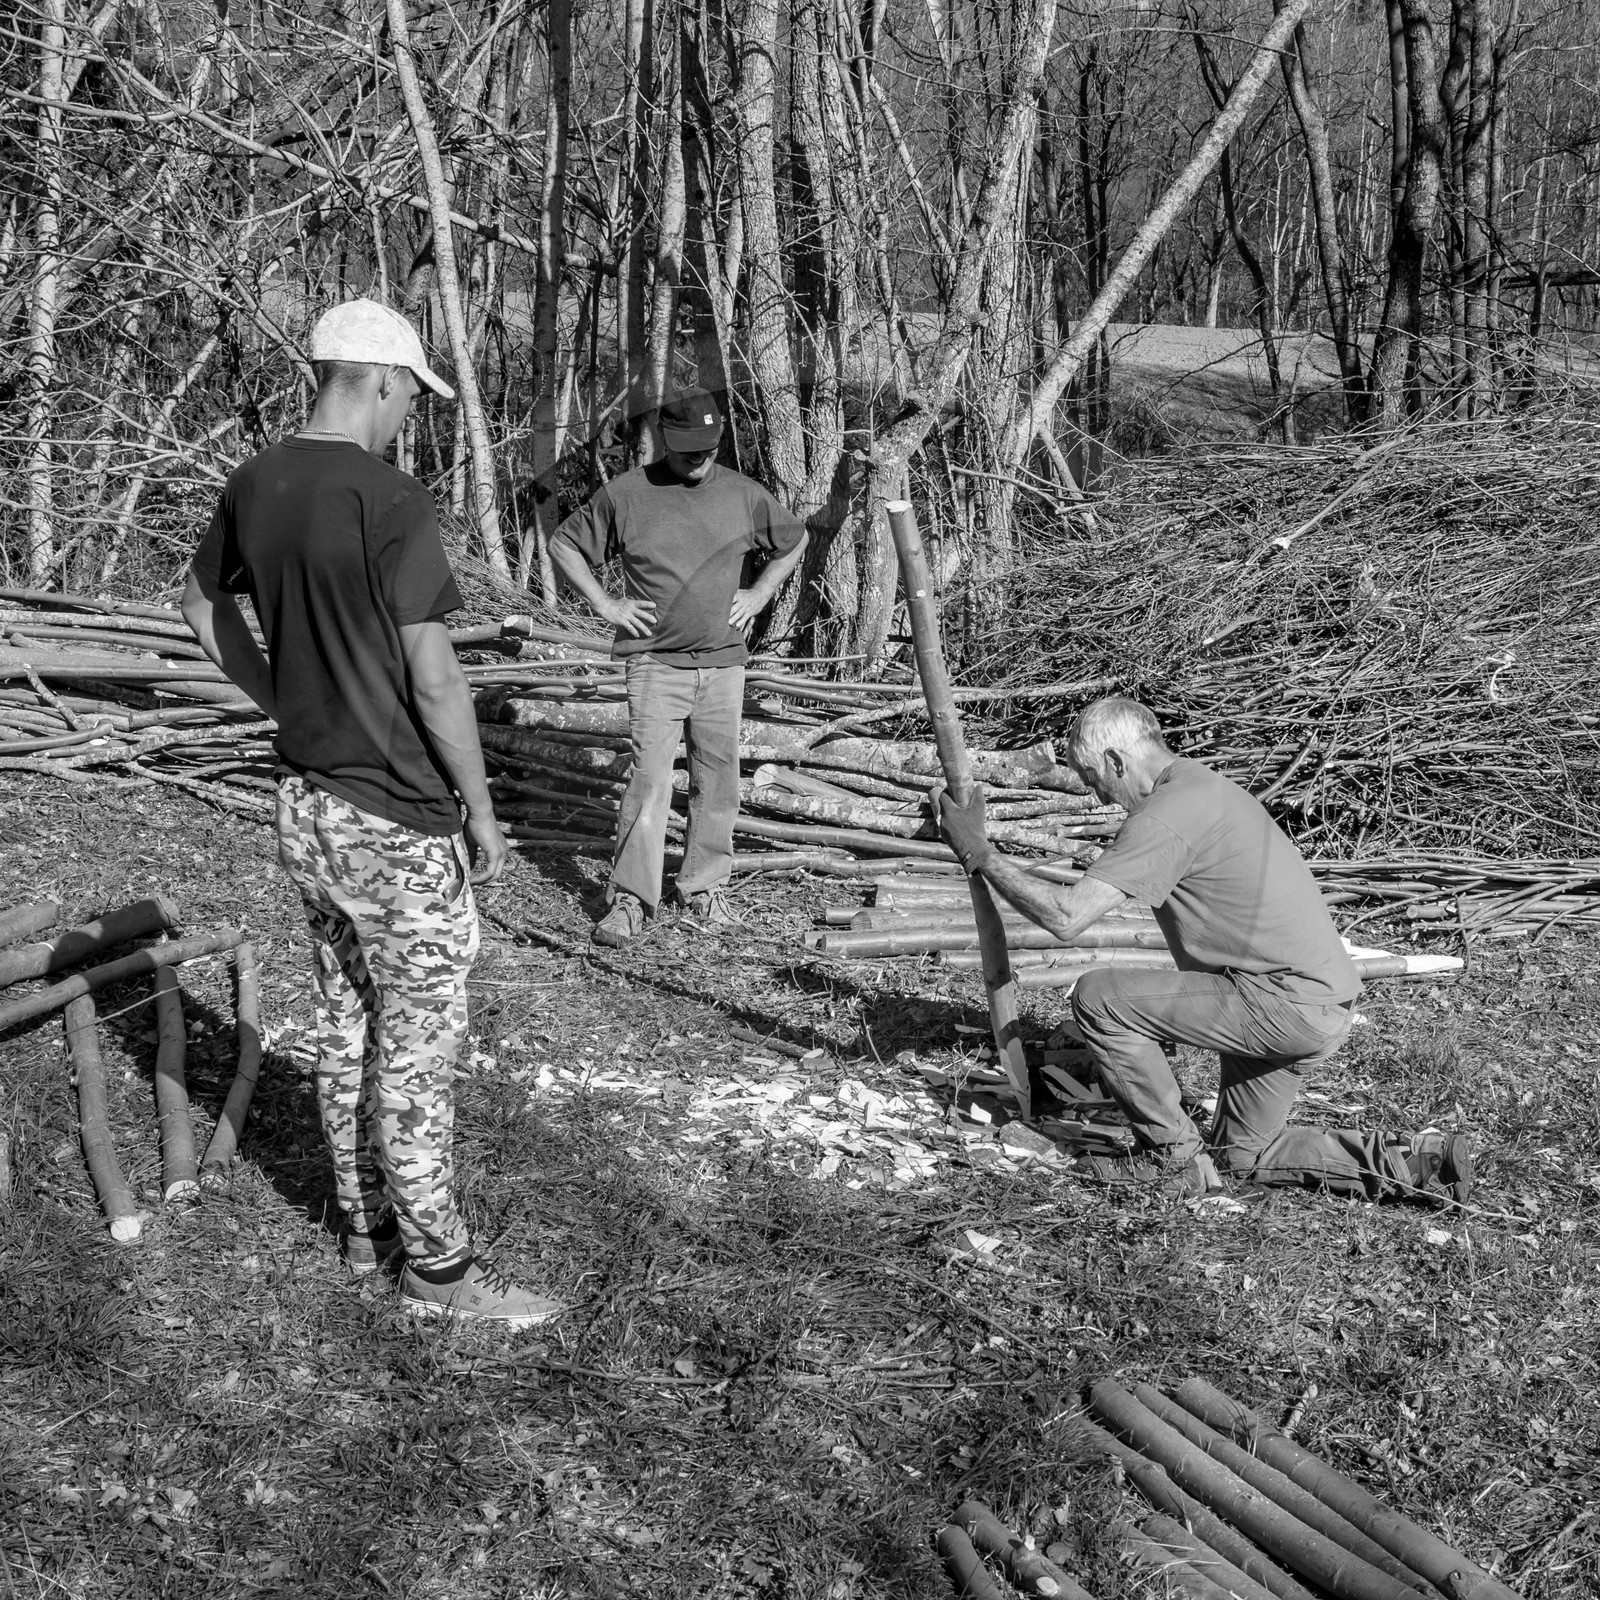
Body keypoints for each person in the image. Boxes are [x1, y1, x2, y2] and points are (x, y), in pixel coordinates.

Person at [181, 298, 561, 1327]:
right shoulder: (387, 497)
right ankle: (439, 1274)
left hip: (303, 802)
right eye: (409, 400)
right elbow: (433, 676)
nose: (407, 420)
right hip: (393, 811)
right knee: (416, 1046)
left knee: (346, 1023)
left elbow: (199, 604)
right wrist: (479, 807)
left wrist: (281, 699)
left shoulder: (255, 480)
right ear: (383, 380)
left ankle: (364, 1231)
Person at [934, 696, 1472, 1206]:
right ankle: (1416, 1166)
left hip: (1279, 1003)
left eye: (1095, 779)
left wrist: (979, 852)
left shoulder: (1168, 813)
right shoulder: (1204, 785)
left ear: (1117, 761)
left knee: (1100, 997)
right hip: (1323, 1004)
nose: (1098, 796)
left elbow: (1066, 918)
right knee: (1244, 1156)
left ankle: (1171, 1161)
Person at [550, 391, 808, 945]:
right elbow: (564, 544)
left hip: (722, 664)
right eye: (689, 449)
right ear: (664, 437)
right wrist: (606, 605)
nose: (700, 459)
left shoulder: (744, 495)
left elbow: (794, 540)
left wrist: (760, 592)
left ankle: (704, 887)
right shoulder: (628, 495)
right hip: (653, 664)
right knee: (649, 781)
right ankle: (630, 901)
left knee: (718, 780)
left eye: (709, 449)